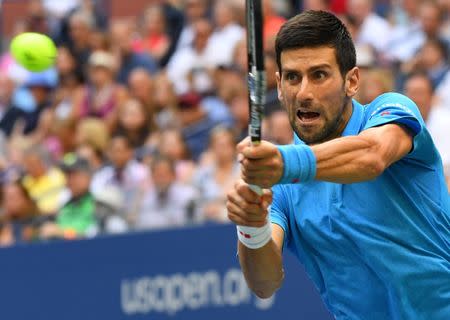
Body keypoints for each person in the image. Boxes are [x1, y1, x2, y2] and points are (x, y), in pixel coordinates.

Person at [226, 10, 450, 320]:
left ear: (352, 81)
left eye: (319, 75)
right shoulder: (280, 186)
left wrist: (285, 162)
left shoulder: (391, 110)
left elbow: (372, 156)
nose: (303, 93)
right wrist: (250, 225)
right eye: (293, 77)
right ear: (278, 85)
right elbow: (264, 283)